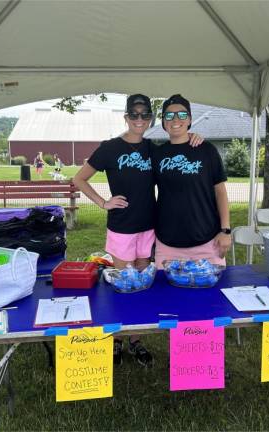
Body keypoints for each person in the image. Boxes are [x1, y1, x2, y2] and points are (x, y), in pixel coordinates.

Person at [73, 94, 203, 367]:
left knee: (142, 286)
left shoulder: (153, 149)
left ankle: (136, 340)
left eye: (145, 115)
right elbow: (79, 178)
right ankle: (117, 339)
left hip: (149, 227)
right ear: (126, 117)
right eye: (134, 114)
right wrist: (103, 203)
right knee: (124, 285)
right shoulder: (109, 148)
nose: (140, 119)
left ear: (151, 120)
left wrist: (195, 137)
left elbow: (178, 152)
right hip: (122, 228)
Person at [151, 94, 231, 269]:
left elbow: (221, 192)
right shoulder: (157, 154)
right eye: (169, 116)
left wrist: (225, 230)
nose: (175, 119)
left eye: (182, 114)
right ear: (164, 122)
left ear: (189, 119)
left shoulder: (206, 150)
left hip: (207, 242)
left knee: (211, 295)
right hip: (168, 244)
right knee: (167, 295)